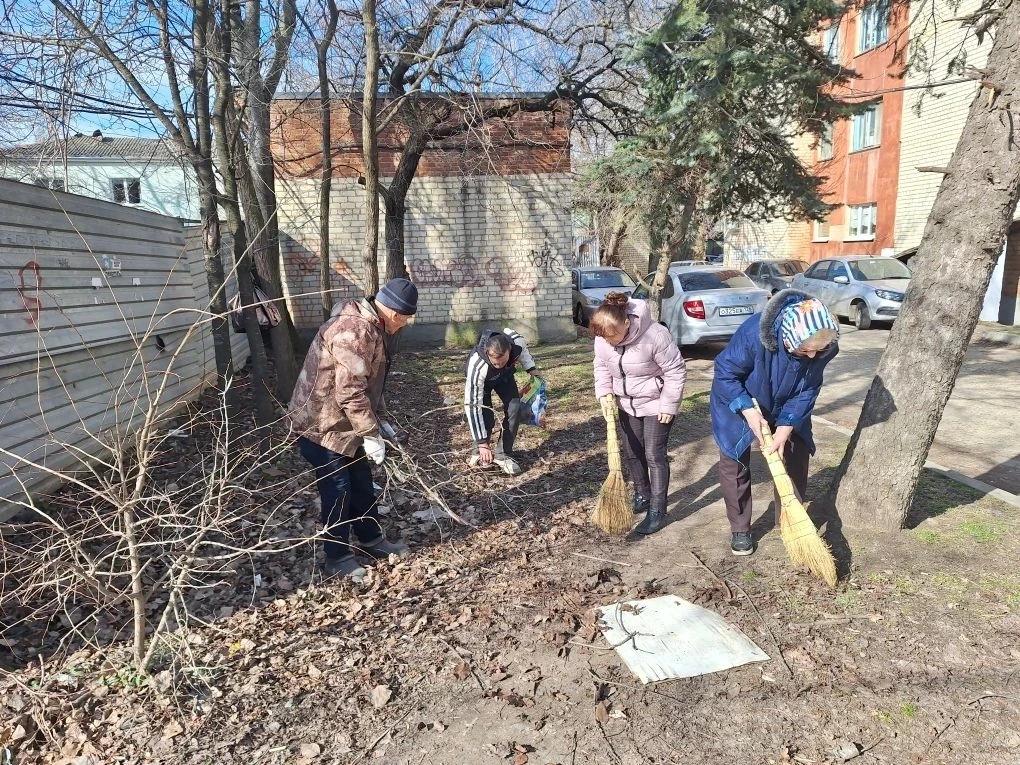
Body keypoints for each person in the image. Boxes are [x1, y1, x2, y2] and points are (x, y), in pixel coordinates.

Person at [288, 278, 419, 582]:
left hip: (345, 424)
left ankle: (371, 539)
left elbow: (369, 384)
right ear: (396, 314)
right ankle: (337, 557)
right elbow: (349, 391)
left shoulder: (371, 327)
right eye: (405, 320)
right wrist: (371, 433)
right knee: (338, 488)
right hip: (321, 425)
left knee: (361, 481)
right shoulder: (354, 331)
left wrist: (380, 422)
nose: (404, 326)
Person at [710, 288, 840, 557]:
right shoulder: (753, 334)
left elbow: (808, 389)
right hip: (739, 398)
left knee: (796, 452)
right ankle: (740, 529)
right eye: (806, 350)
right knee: (735, 461)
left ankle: (791, 519)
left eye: (818, 350)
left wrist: (786, 425)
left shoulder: (823, 347)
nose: (813, 356)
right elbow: (725, 372)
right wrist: (748, 410)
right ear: (789, 339)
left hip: (786, 401)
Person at [592, 292, 687, 535]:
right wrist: (604, 392)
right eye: (605, 337)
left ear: (627, 323)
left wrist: (669, 405)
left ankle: (657, 509)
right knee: (633, 452)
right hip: (626, 404)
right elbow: (601, 366)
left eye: (613, 336)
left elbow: (675, 370)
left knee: (654, 454)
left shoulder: (655, 335)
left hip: (656, 403)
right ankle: (643, 495)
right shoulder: (603, 338)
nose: (609, 342)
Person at [464, 328, 540, 476]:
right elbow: (473, 406)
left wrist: (531, 368)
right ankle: (479, 452)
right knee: (485, 415)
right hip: (483, 381)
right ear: (487, 352)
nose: (498, 365)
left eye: (502, 361)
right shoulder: (477, 365)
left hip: (505, 377)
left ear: (509, 350)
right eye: (495, 363)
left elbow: (524, 352)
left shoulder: (516, 343)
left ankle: (503, 454)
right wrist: (482, 443)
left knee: (515, 408)